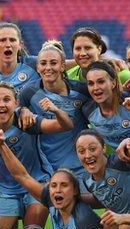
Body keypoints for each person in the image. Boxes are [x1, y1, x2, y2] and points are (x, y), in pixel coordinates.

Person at [0, 82, 73, 229]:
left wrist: (55, 110)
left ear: (16, 103)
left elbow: (66, 125)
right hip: (8, 191)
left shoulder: (26, 122)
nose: (1, 104)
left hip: (36, 183)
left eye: (7, 99)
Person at [19, 41, 90, 178]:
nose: (48, 68)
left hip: (81, 167)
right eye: (43, 63)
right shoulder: (28, 93)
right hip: (47, 170)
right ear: (38, 67)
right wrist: (23, 109)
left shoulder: (82, 91)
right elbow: (15, 109)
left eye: (53, 63)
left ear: (63, 66)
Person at [82, 61, 130, 149]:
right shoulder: (87, 110)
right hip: (119, 161)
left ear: (113, 83)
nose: (96, 88)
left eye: (101, 82)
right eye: (91, 83)